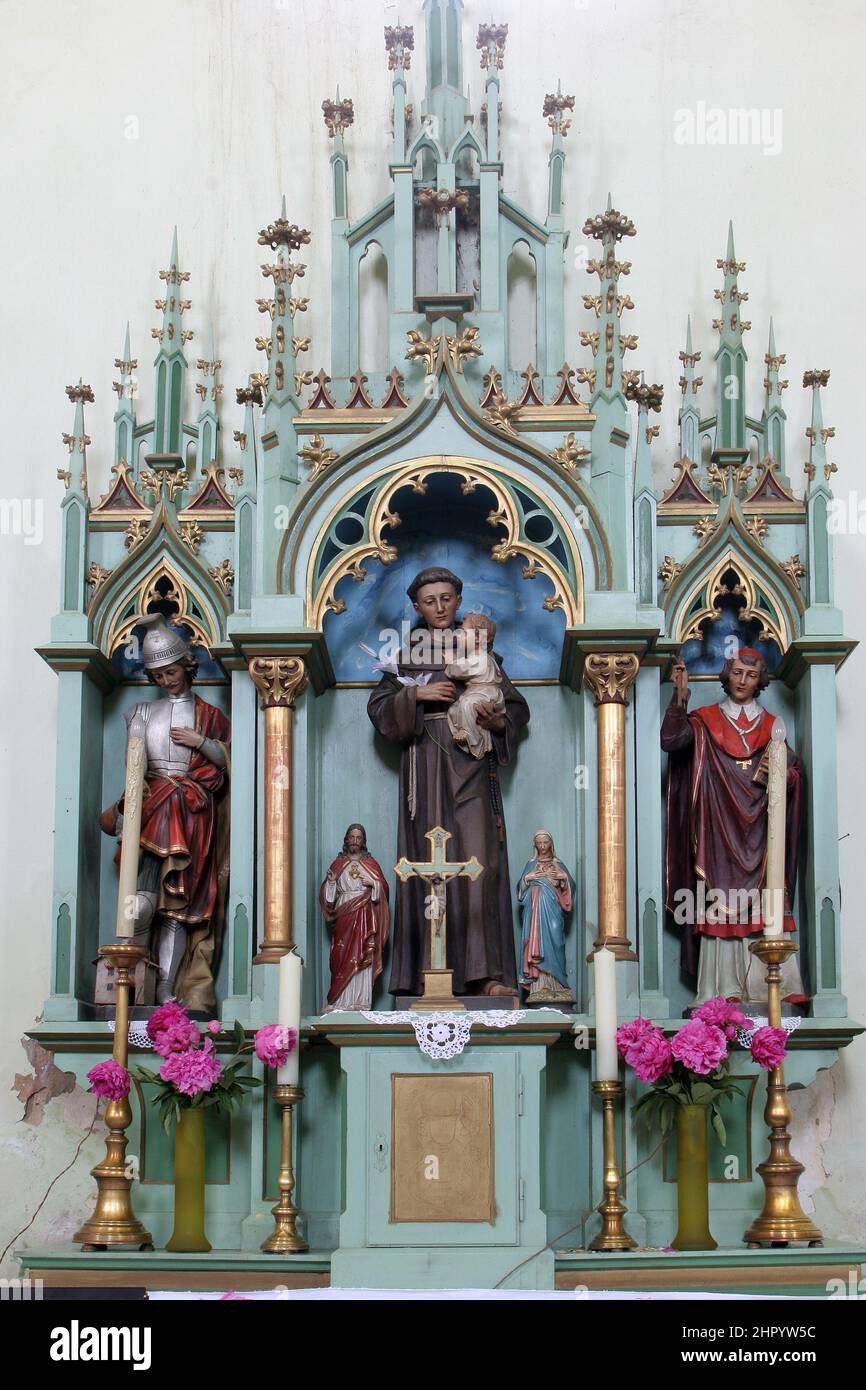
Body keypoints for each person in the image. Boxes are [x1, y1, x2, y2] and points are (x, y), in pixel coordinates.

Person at [367, 566, 529, 999]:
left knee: (479, 862)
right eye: (429, 600)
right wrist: (416, 696)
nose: (439, 607)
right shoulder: (408, 653)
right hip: (425, 764)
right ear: (417, 606)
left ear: (458, 601)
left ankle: (484, 974)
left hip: (472, 762)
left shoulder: (478, 647)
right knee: (425, 865)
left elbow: (514, 707)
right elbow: (380, 711)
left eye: (446, 598)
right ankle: (427, 975)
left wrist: (499, 721)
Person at [661, 645, 806, 1005]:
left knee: (765, 898)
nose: (743, 681)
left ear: (760, 681)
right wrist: (679, 699)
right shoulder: (705, 719)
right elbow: (672, 741)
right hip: (716, 826)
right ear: (727, 676)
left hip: (760, 828)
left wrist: (785, 777)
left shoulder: (773, 726)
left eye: (751, 675)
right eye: (737, 673)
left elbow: (793, 772)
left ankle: (772, 988)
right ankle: (724, 990)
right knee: (719, 899)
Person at [100, 614, 231, 1012]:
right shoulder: (140, 712)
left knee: (178, 906)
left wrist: (201, 741)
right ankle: (130, 988)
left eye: (171, 671)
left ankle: (168, 991)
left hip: (192, 815)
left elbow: (227, 764)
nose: (166, 680)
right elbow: (135, 766)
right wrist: (135, 789)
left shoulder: (209, 715)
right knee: (140, 900)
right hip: (153, 811)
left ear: (186, 667)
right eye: (157, 675)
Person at [319, 824, 390, 1013]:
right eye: (352, 837)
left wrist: (374, 884)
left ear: (363, 841)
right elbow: (327, 899)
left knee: (363, 954)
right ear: (346, 840)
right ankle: (340, 1000)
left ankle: (361, 1000)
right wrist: (332, 882)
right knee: (341, 955)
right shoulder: (337, 864)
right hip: (344, 914)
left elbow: (383, 889)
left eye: (359, 838)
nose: (355, 841)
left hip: (365, 913)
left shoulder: (371, 864)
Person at [517, 830, 575, 1004]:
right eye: (539, 844)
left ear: (551, 844)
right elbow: (520, 892)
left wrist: (563, 878)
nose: (542, 847)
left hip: (553, 910)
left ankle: (557, 985)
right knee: (535, 943)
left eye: (545, 843)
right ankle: (539, 986)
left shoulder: (558, 864)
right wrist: (528, 878)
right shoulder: (531, 864)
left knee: (556, 940)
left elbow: (570, 887)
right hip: (535, 912)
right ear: (535, 845)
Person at [445, 612, 506, 760]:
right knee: (454, 710)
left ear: (478, 638)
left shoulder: (480, 658)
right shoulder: (481, 657)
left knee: (467, 704)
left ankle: (472, 739)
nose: (458, 635)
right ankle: (481, 739)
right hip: (479, 691)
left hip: (485, 693)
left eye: (464, 633)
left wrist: (450, 662)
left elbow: (457, 671)